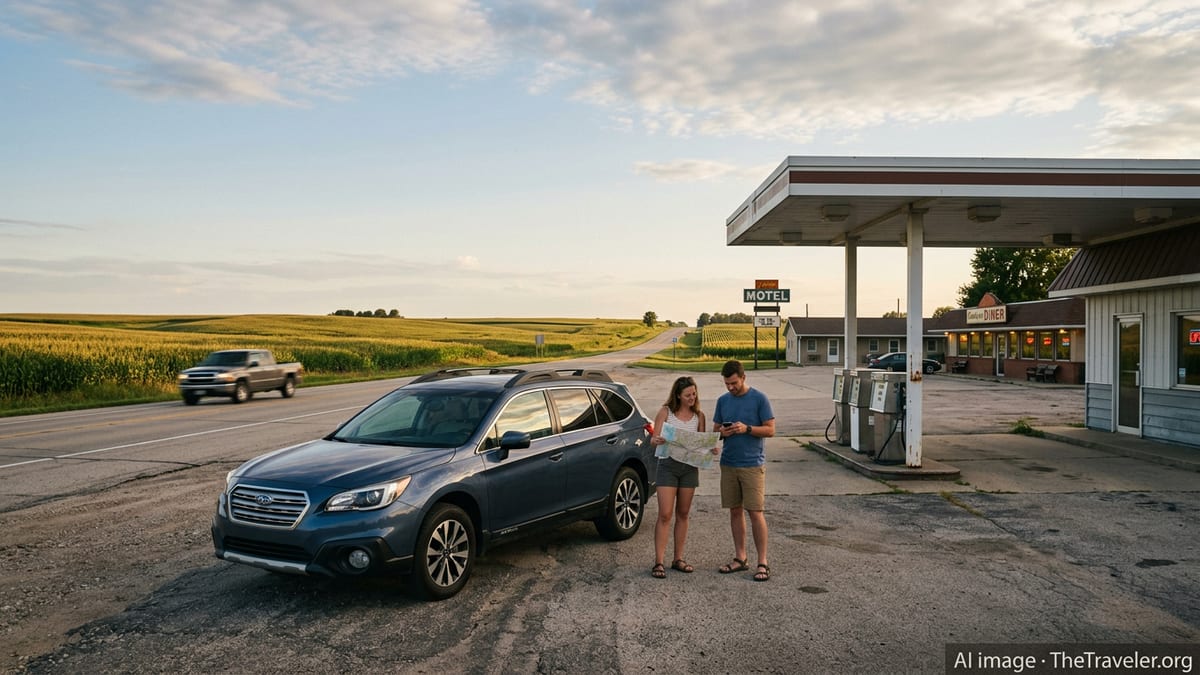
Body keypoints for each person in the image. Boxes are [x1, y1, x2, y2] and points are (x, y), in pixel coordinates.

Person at [712, 359, 775, 582]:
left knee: (755, 512)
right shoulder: (722, 401)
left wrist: (746, 428)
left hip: (752, 464)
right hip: (729, 463)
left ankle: (763, 562)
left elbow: (770, 430)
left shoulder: (759, 398)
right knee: (734, 511)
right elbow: (715, 430)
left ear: (743, 377)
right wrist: (723, 433)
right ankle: (740, 558)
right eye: (727, 383)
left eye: (734, 383)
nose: (730, 387)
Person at [648, 376, 714, 579]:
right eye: (687, 395)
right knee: (665, 514)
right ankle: (659, 561)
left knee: (683, 513)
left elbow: (701, 443)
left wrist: (711, 449)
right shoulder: (665, 412)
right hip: (668, 465)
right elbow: (653, 440)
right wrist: (657, 439)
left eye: (694, 394)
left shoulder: (699, 416)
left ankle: (678, 558)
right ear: (678, 395)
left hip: (689, 468)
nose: (692, 398)